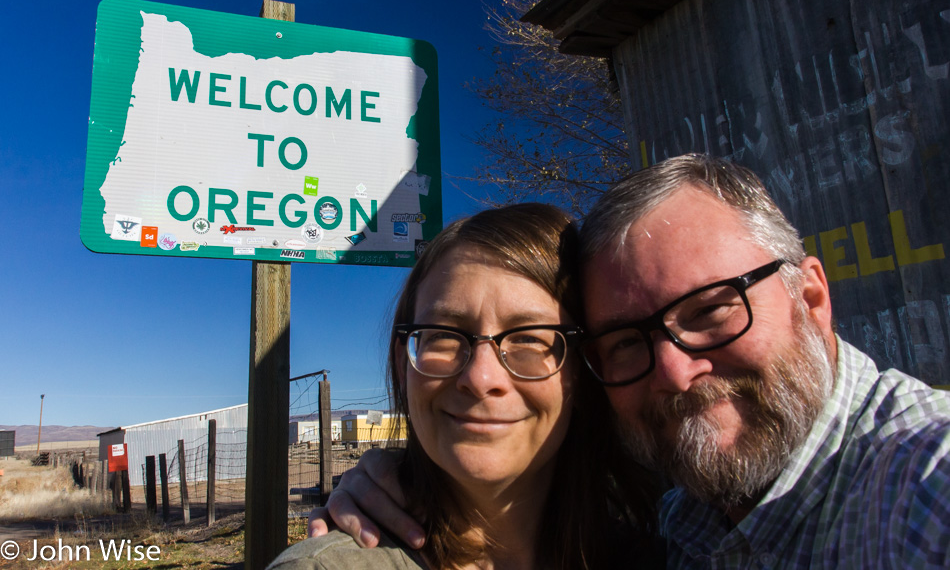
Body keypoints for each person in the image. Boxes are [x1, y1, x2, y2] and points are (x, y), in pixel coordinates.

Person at [312, 155, 950, 569]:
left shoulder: (921, 486)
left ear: (810, 298)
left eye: (710, 310)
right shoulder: (678, 516)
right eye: (626, 341)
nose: (674, 373)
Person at [270, 203, 660, 570]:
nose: (480, 378)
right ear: (402, 365)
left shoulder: (669, 544)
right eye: (444, 335)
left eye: (529, 338)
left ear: (581, 368)